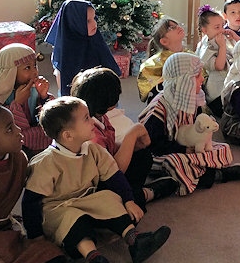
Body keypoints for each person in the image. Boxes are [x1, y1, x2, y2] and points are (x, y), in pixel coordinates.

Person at [22, 97, 171, 263]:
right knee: (71, 219)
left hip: (87, 198)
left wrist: (129, 200)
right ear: (68, 135)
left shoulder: (93, 150)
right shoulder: (45, 163)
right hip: (58, 208)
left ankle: (136, 240)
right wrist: (35, 236)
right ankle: (94, 256)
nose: (92, 120)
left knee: (109, 198)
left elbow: (114, 176)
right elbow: (31, 202)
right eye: (86, 118)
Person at [138, 52, 240, 195]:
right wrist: (183, 150)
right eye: (197, 76)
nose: (202, 79)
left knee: (222, 147)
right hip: (164, 152)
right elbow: (155, 144)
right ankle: (217, 175)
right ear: (184, 80)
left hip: (189, 146)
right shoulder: (159, 108)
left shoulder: (192, 98)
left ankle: (201, 171)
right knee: (177, 163)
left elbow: (197, 129)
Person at [70, 67, 179, 211]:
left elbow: (110, 145)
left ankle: (136, 192)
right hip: (99, 182)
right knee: (128, 207)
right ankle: (146, 194)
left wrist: (130, 145)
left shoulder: (100, 117)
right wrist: (131, 135)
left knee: (143, 156)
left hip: (109, 168)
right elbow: (113, 171)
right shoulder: (91, 135)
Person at [0, 104, 66, 263]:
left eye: (15, 124)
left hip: (4, 229)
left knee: (52, 252)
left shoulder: (19, 158)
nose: (19, 131)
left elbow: (37, 188)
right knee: (4, 253)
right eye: (9, 129)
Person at [0, 43, 52, 155]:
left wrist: (44, 97)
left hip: (37, 138)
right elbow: (0, 126)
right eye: (27, 68)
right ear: (11, 72)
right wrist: (17, 103)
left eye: (35, 66)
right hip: (13, 142)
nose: (34, 72)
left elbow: (49, 116)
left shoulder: (34, 89)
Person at [44, 0, 121, 96]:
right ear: (74, 22)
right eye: (88, 21)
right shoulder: (63, 52)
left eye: (94, 18)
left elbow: (110, 68)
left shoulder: (96, 40)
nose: (95, 24)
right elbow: (64, 85)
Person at [137, 16, 191, 103]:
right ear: (164, 41)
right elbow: (148, 87)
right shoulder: (153, 64)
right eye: (172, 28)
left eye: (178, 25)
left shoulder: (191, 55)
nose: (178, 27)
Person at [195, 5, 234, 117]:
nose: (222, 30)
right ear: (205, 30)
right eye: (217, 27)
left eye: (223, 25)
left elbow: (236, 52)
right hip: (216, 91)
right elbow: (219, 66)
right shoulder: (205, 48)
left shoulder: (220, 38)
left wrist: (233, 38)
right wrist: (222, 47)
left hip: (228, 81)